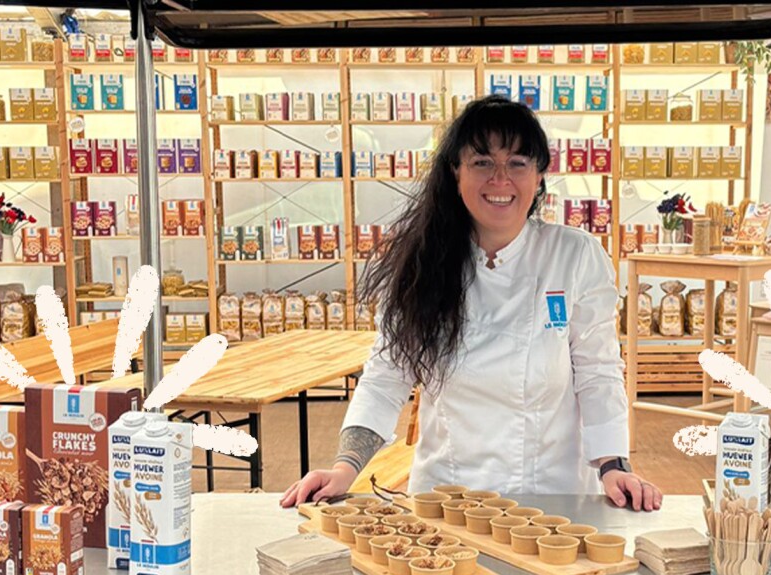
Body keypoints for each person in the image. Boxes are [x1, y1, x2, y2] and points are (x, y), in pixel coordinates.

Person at [280, 95, 661, 511]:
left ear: (539, 176)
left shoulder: (574, 255)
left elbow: (598, 371)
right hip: (446, 501)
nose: (500, 179)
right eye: (482, 162)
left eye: (517, 163)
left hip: (553, 499)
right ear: (455, 172)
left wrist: (614, 466)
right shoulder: (422, 264)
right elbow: (386, 376)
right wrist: (344, 467)